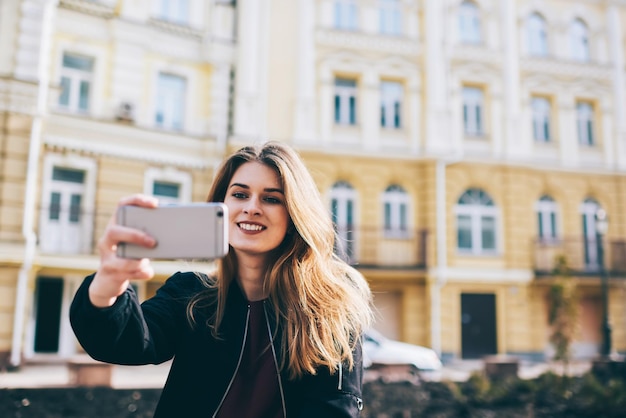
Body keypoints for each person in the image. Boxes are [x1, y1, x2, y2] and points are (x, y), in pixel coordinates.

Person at [70, 141, 373, 417]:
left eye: (271, 199)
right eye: (240, 194)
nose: (251, 208)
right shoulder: (190, 295)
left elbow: (336, 409)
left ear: (295, 215)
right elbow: (125, 342)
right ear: (220, 207)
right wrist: (108, 283)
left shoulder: (331, 308)